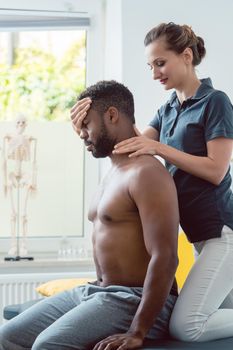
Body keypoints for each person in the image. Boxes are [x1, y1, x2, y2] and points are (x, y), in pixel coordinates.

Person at [71, 23, 233, 343]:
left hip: (223, 233)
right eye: (150, 66)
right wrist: (88, 127)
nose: (155, 73)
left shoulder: (215, 102)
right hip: (198, 237)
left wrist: (159, 148)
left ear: (186, 56)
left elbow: (216, 170)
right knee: (214, 319)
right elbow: (125, 149)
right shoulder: (167, 109)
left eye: (160, 63)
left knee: (187, 326)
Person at [0, 80, 179, 350]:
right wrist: (90, 129)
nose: (81, 134)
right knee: (9, 335)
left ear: (112, 115)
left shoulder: (146, 173)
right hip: (98, 291)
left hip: (134, 298)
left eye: (87, 124)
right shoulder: (113, 172)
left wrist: (137, 331)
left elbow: (165, 258)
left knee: (47, 345)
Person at [2, 114, 37, 256]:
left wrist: (34, 181)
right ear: (15, 124)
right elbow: (4, 160)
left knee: (23, 214)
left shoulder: (29, 139)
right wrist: (4, 181)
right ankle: (13, 245)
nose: (21, 125)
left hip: (24, 175)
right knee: (13, 214)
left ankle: (23, 245)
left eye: (23, 122)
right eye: (18, 122)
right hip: (12, 175)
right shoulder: (8, 137)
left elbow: (34, 161)